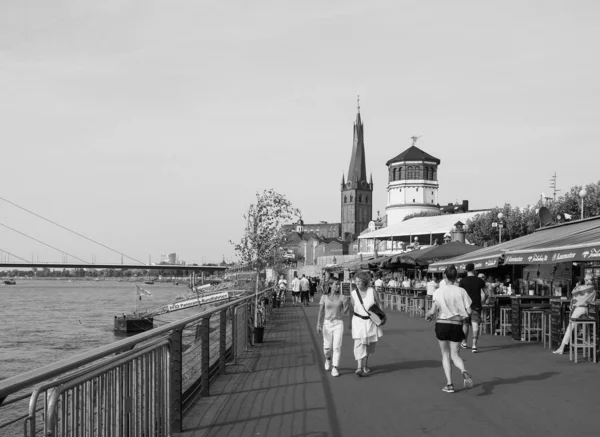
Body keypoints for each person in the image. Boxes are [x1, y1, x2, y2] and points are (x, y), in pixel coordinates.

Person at [425, 264, 474, 393]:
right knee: (455, 354)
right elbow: (469, 310)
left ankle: (449, 384)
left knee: (445, 354)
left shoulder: (438, 291)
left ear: (444, 276)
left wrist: (428, 315)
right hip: (457, 324)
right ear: (456, 277)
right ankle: (463, 370)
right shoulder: (461, 291)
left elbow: (432, 310)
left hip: (442, 323)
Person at [348, 271, 383, 376]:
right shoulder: (353, 293)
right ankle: (359, 366)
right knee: (358, 343)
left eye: (360, 281)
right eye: (356, 281)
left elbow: (379, 304)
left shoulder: (372, 291)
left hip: (370, 321)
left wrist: (381, 317)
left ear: (365, 282)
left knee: (368, 343)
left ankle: (365, 365)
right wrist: (349, 322)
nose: (357, 283)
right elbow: (351, 309)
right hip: (358, 321)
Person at [553, 278, 597, 354]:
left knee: (570, 327)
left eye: (587, 280)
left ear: (589, 280)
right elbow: (593, 301)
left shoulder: (580, 288)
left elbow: (573, 295)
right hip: (588, 310)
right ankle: (586, 341)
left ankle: (561, 347)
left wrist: (577, 286)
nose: (586, 281)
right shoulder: (594, 290)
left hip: (579, 309)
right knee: (586, 326)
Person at [316, 279, 349, 377]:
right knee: (327, 348)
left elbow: (345, 311)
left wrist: (347, 303)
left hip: (338, 323)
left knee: (337, 347)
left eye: (339, 285)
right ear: (330, 285)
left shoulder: (342, 297)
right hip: (327, 323)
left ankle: (335, 367)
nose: (338, 286)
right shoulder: (324, 297)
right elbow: (321, 311)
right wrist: (318, 323)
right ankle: (328, 359)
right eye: (336, 284)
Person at [459, 263, 487, 353]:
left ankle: (464, 342)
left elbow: (460, 295)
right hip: (476, 305)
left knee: (465, 324)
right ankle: (474, 345)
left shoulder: (462, 281)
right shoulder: (479, 280)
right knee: (475, 324)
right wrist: (483, 300)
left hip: (465, 306)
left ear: (466, 270)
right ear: (473, 269)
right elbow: (486, 293)